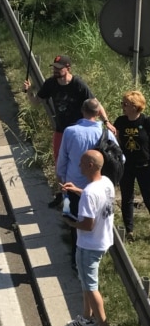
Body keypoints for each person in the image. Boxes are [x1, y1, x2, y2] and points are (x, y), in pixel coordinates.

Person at [24, 54, 110, 207]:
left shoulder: (77, 84)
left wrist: (106, 122)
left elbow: (95, 103)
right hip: (61, 131)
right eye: (54, 68)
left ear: (68, 68)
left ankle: (82, 194)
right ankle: (62, 194)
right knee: (60, 164)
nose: (55, 71)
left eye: (59, 68)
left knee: (79, 163)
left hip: (79, 132)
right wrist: (29, 91)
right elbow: (36, 102)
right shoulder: (51, 83)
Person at [61, 151, 115, 326]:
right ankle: (86, 318)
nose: (79, 166)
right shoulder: (106, 182)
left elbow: (87, 225)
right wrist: (77, 190)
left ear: (91, 165)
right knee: (86, 281)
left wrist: (71, 223)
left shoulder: (90, 193)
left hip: (88, 245)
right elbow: (96, 199)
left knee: (91, 286)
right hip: (103, 240)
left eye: (82, 163)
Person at [57, 99, 116, 260]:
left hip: (72, 185)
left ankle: (76, 258)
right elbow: (121, 159)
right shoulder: (107, 133)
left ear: (82, 110)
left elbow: (62, 158)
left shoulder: (70, 131)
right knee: (97, 224)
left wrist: (60, 179)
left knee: (72, 221)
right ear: (98, 113)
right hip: (98, 187)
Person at [114, 91, 150, 241]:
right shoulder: (120, 121)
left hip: (145, 166)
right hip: (126, 166)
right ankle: (129, 231)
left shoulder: (146, 121)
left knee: (148, 197)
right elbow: (116, 140)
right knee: (127, 197)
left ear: (135, 107)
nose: (122, 106)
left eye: (125, 104)